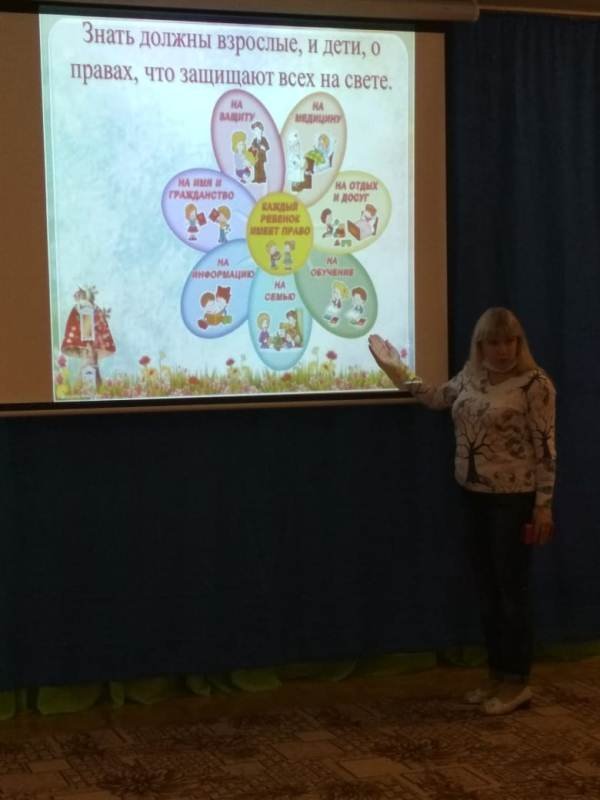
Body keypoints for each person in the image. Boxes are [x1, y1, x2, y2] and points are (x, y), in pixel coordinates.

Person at [369, 308, 556, 715]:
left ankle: (517, 681)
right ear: (480, 345)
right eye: (494, 342)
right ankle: (496, 675)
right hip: (473, 495)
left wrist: (543, 506)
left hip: (513, 500)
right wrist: (397, 371)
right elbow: (436, 397)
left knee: (511, 592)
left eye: (510, 342)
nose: (503, 350)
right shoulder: (472, 377)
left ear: (520, 343)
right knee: (488, 592)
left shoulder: (535, 385)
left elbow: (546, 448)